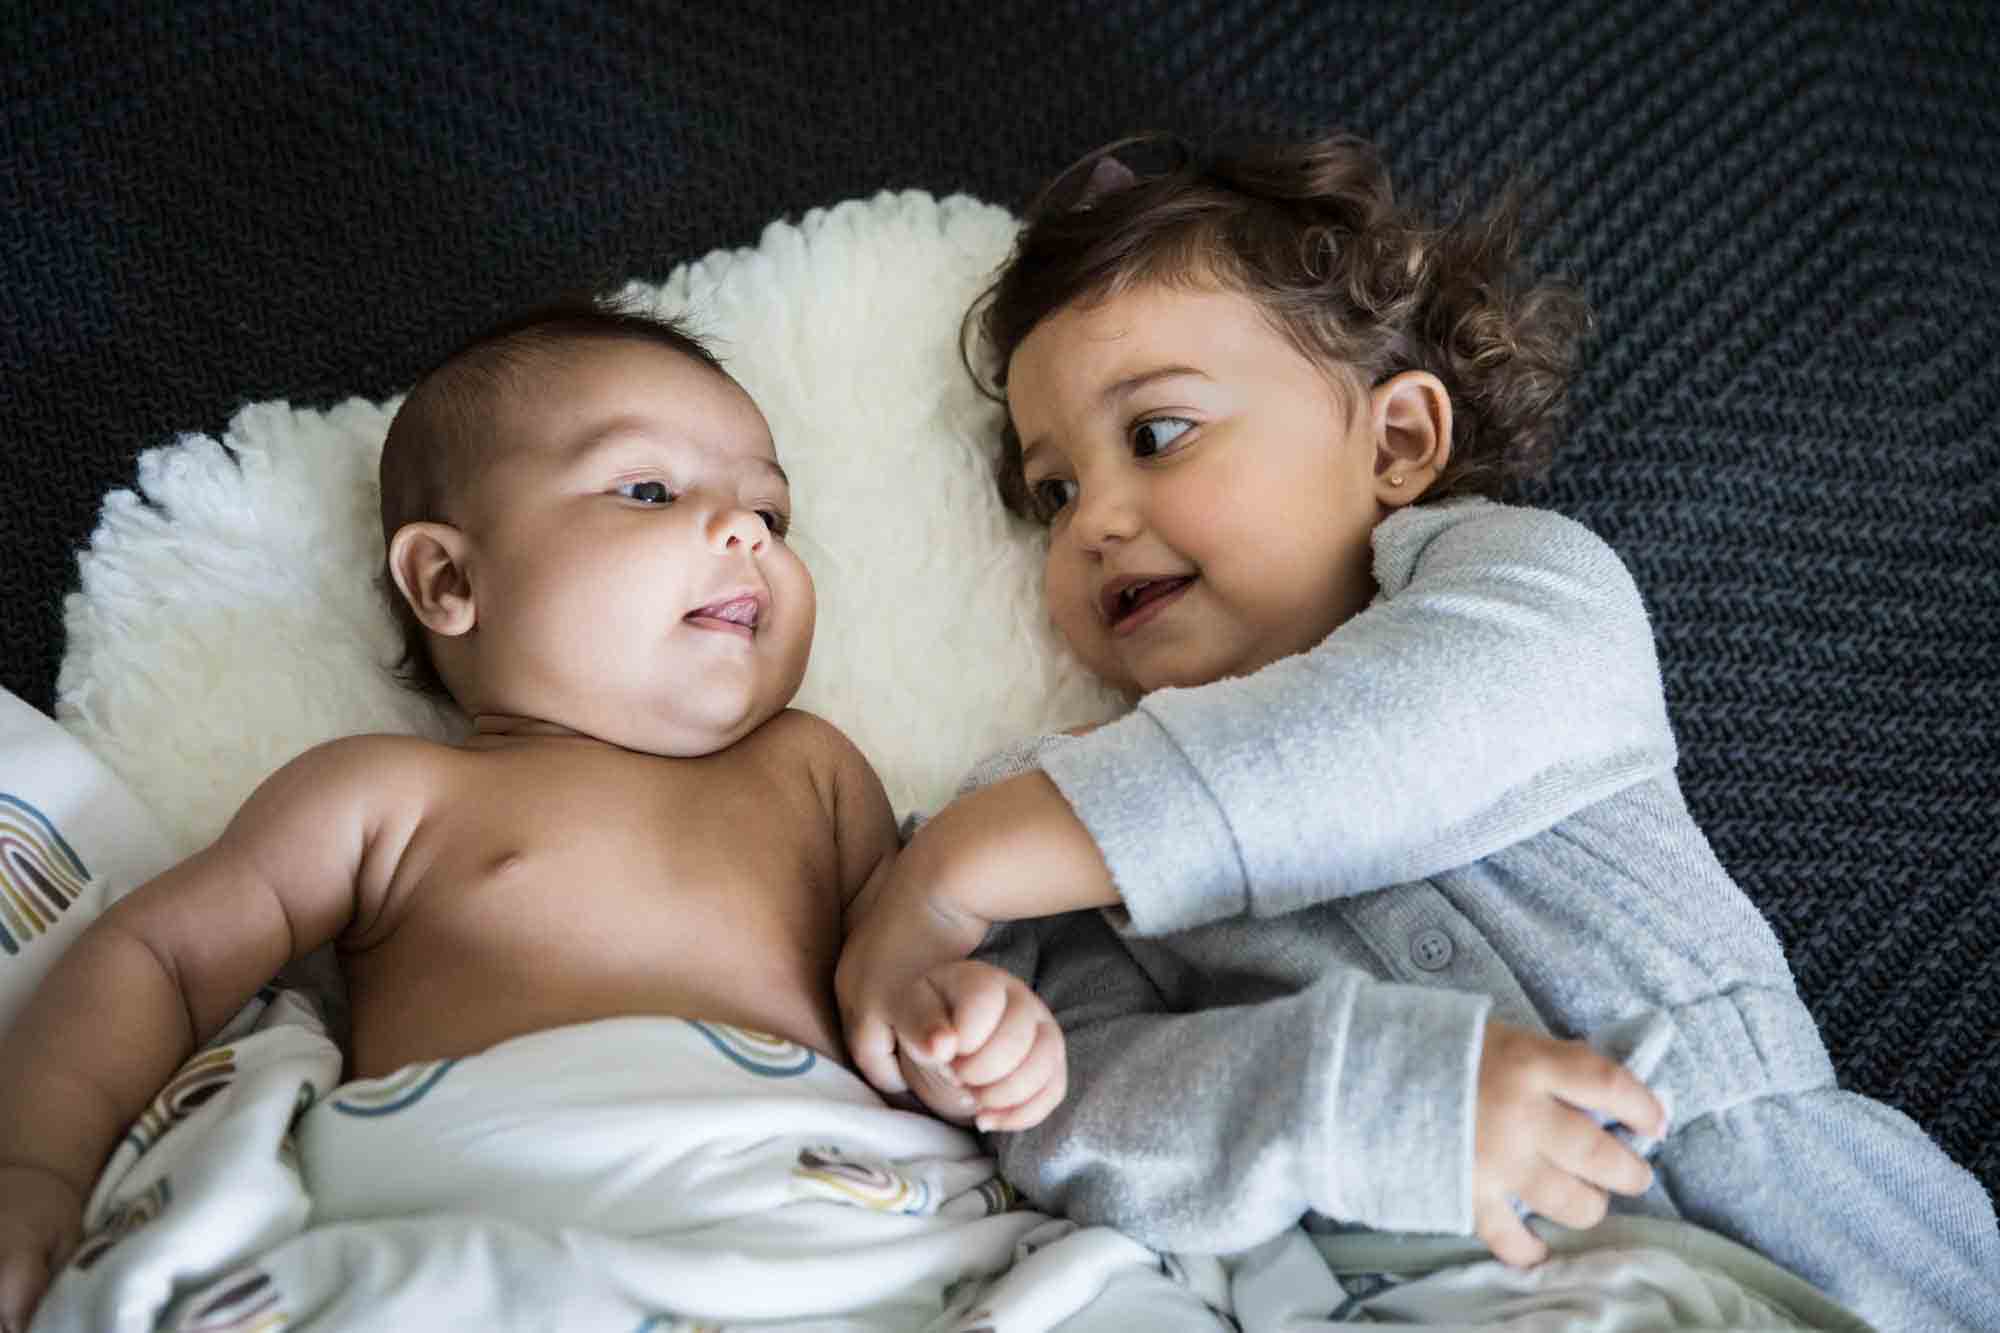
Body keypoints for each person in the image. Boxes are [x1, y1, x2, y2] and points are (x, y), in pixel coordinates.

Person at [836, 133, 2000, 1331]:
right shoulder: (1056, 827)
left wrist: (952, 867)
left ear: (1394, 444)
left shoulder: (1524, 593)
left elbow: (1380, 749)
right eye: (1053, 492)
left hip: (1796, 1237)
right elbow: (1088, 1128)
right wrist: (999, 1041)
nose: (1090, 527)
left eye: (1155, 434)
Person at [0, 300, 1062, 1332]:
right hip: (502, 1217)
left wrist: (959, 1032)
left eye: (771, 515)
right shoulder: (386, 795)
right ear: (449, 577)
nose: (743, 528)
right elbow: (158, 960)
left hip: (813, 1218)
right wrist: (37, 1165)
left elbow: (888, 975)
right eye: (646, 488)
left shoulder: (810, 768)